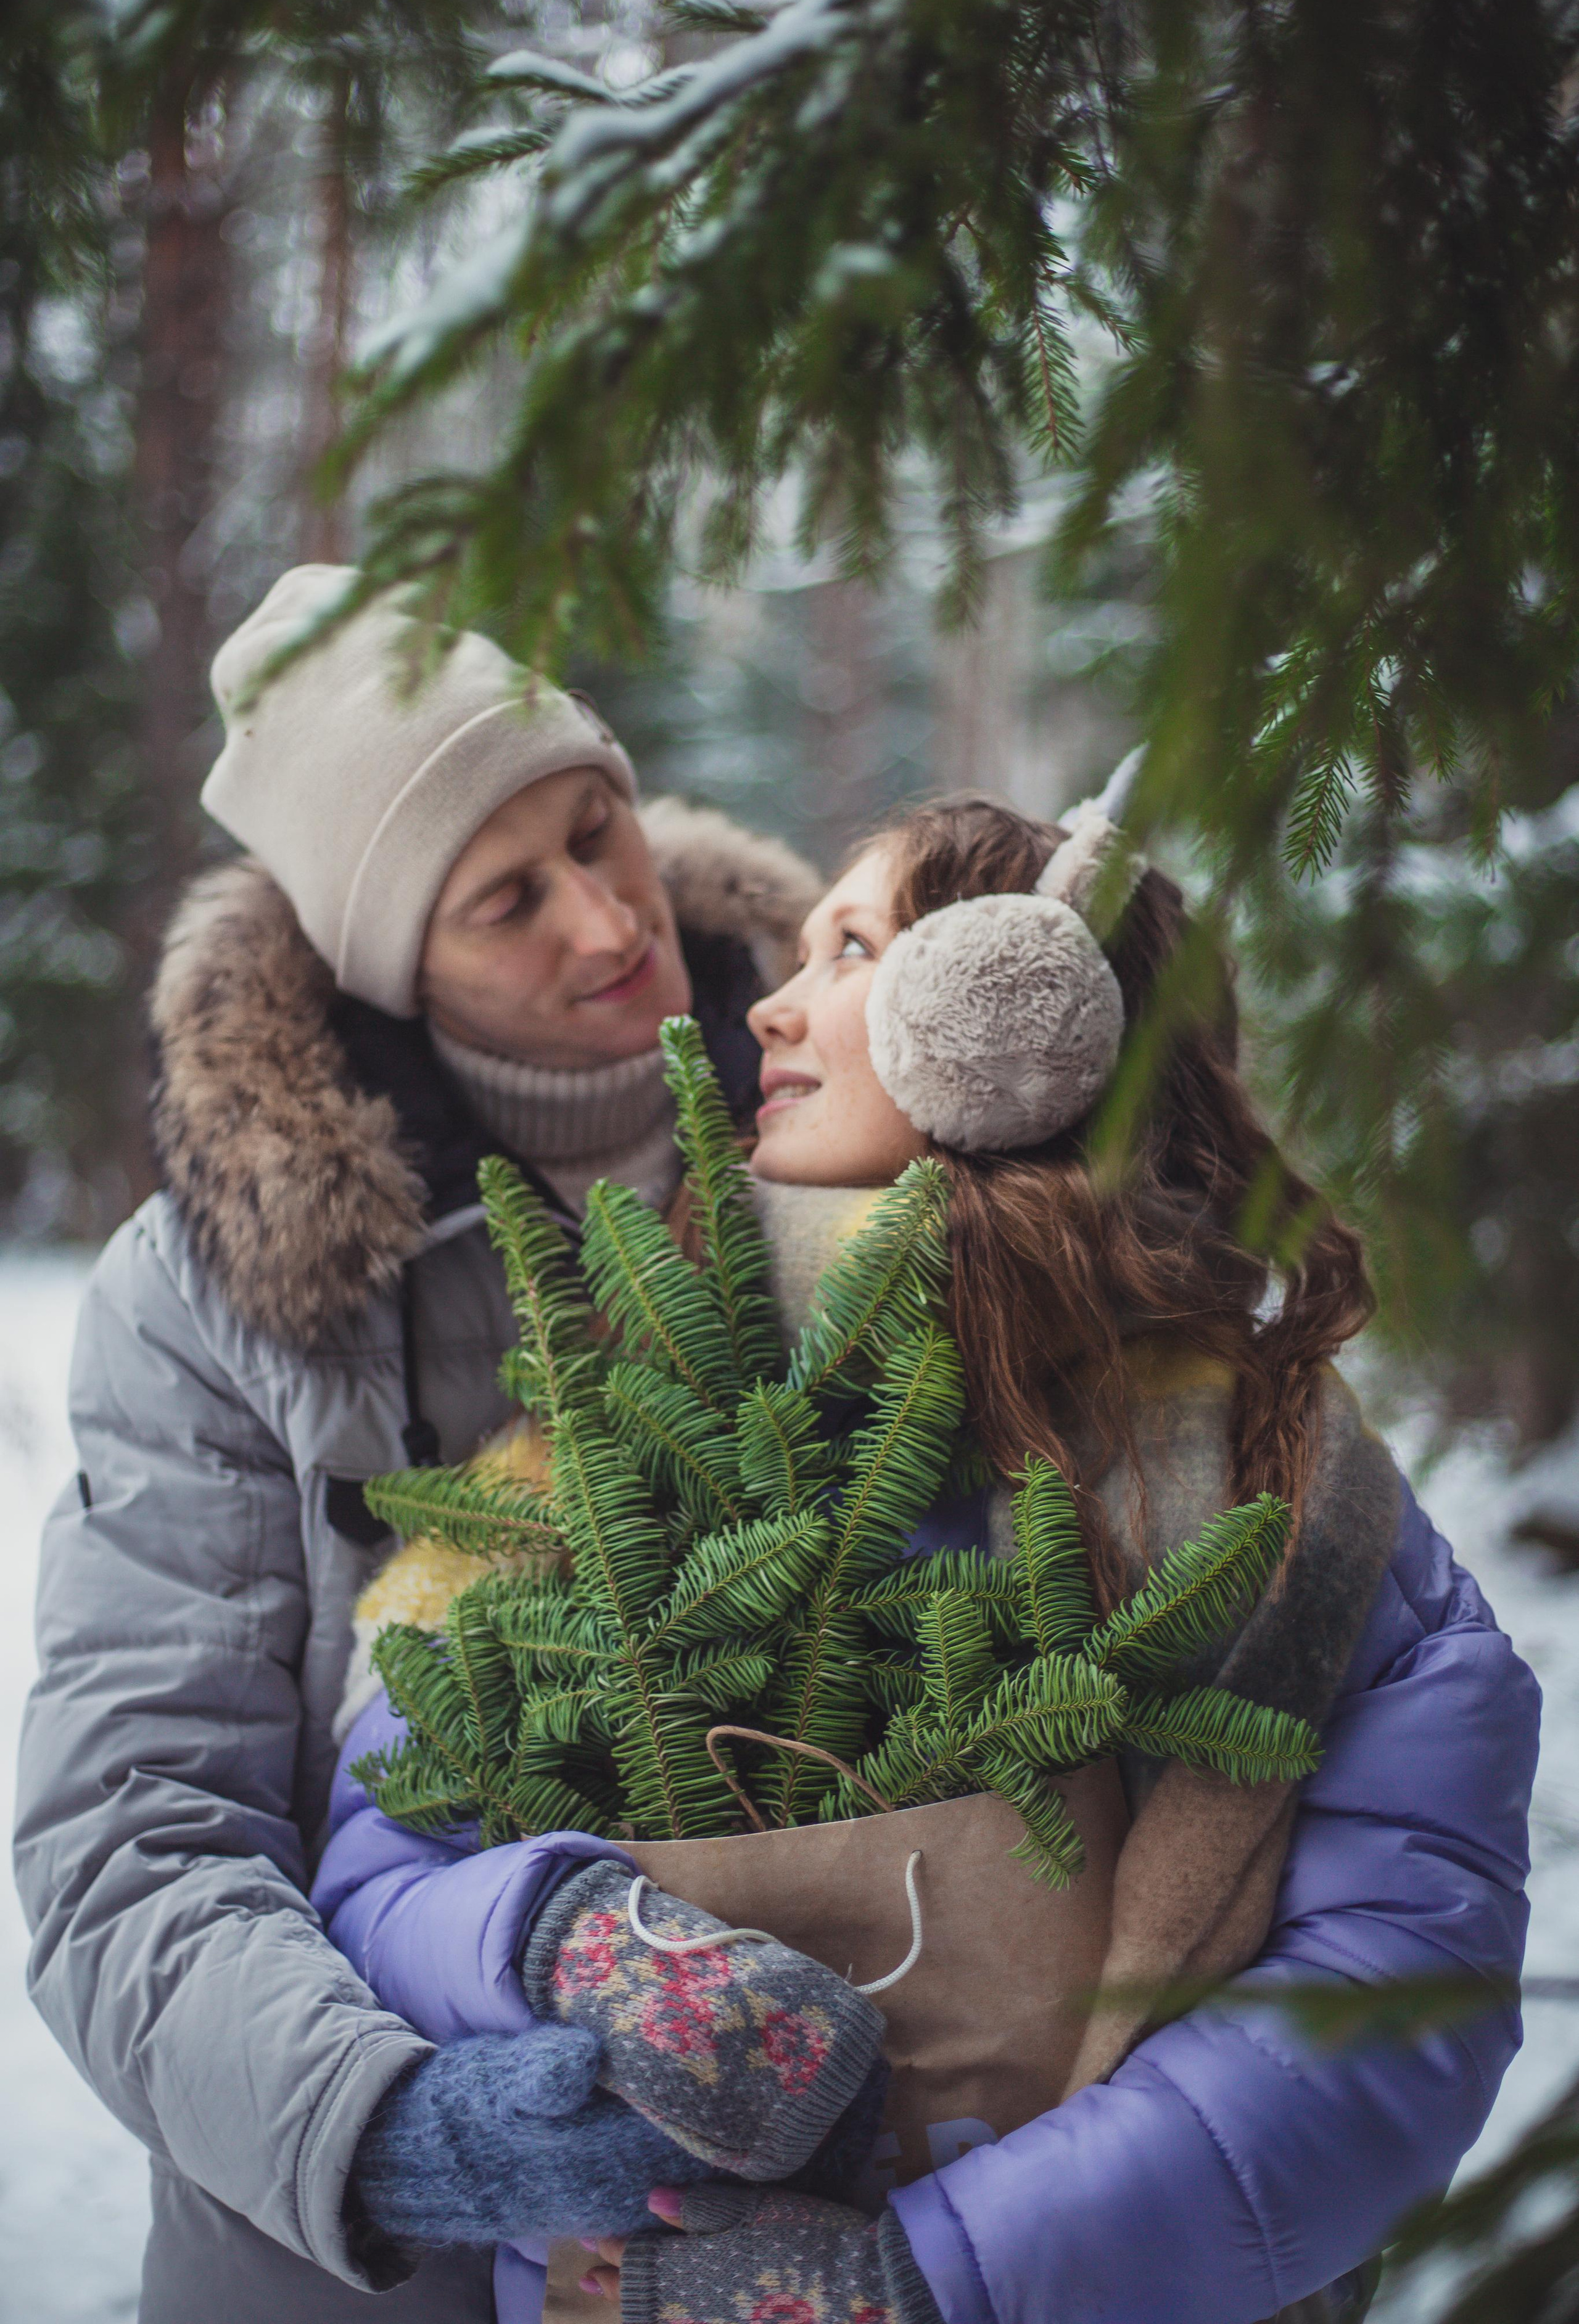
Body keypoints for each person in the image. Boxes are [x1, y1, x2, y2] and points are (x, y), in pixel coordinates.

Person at [313, 792, 1538, 2324]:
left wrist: (925, 2279)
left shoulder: (1282, 1491)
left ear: (1023, 1013)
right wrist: (551, 1936)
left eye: (849, 949)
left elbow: (1390, 2001)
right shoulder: (602, 1427)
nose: (766, 1007)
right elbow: (381, 1851)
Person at [12, 564, 820, 2323]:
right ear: (390, 963)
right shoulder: (220, 1293)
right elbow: (136, 1823)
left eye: (597, 832)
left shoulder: (860, 1124)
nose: (605, 925)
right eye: (507, 899)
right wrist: (384, 2130)